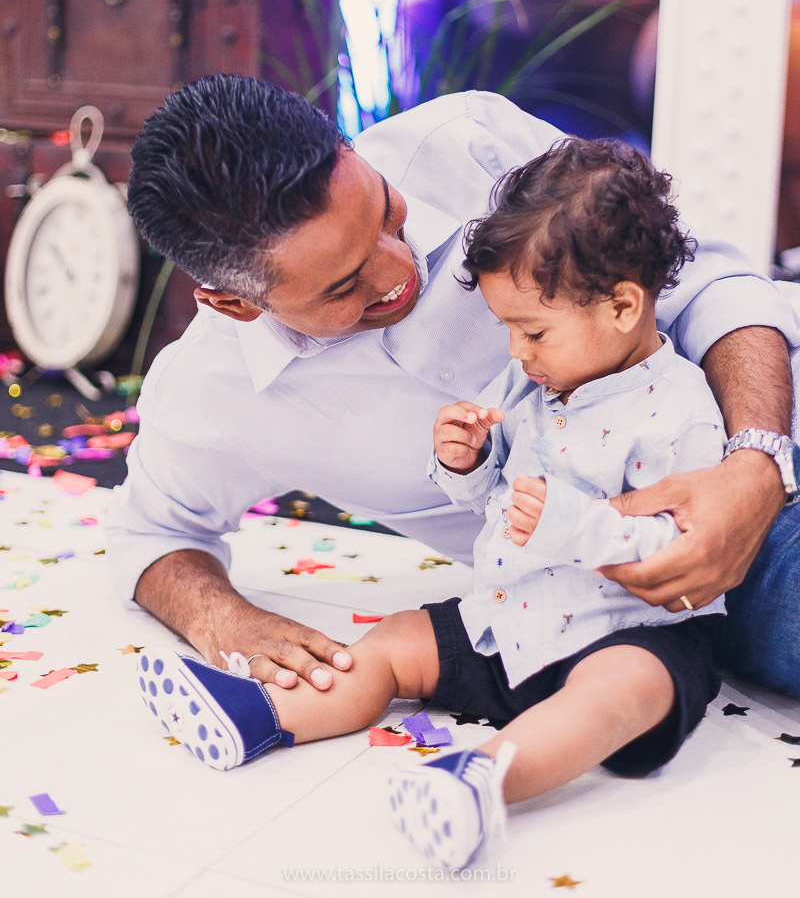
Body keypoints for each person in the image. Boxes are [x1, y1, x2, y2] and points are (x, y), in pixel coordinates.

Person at [135, 140, 729, 871]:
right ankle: (261, 715)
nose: (514, 353)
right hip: (507, 618)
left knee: (617, 695)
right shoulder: (534, 387)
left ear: (624, 307)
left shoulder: (679, 411)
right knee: (395, 642)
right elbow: (493, 496)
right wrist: (469, 461)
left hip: (630, 630)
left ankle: (481, 782)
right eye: (509, 330)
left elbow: (690, 545)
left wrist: (575, 527)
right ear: (235, 301)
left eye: (531, 332)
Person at [108, 75, 800, 701]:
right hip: (657, 584)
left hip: (759, 429)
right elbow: (149, 534)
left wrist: (758, 462)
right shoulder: (210, 393)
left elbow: (710, 287)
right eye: (344, 286)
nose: (397, 269)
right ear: (235, 303)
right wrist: (224, 618)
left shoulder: (473, 145)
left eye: (386, 212)